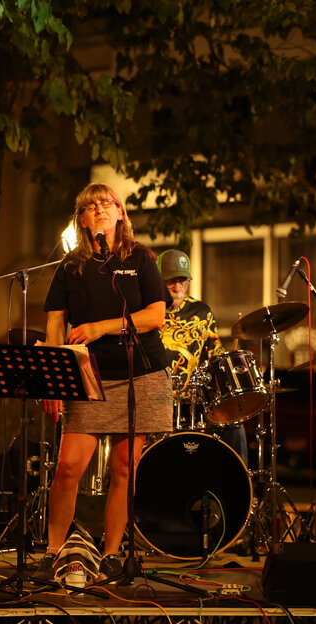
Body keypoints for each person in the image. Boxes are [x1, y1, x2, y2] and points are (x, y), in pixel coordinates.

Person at [40, 183, 173, 580]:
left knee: (124, 468)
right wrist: (52, 384)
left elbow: (155, 316)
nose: (99, 209)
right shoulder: (70, 268)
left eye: (107, 204)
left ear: (120, 214)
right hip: (88, 378)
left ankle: (112, 553)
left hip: (141, 375)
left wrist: (102, 327)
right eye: (90, 206)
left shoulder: (142, 259)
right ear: (81, 219)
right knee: (67, 468)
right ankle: (53, 551)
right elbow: (54, 329)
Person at [157, 249, 248, 467]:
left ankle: (238, 487)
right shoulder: (148, 311)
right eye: (171, 281)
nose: (178, 288)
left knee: (235, 425)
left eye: (183, 281)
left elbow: (215, 353)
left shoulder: (202, 311)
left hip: (194, 401)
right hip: (155, 400)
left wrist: (237, 367)